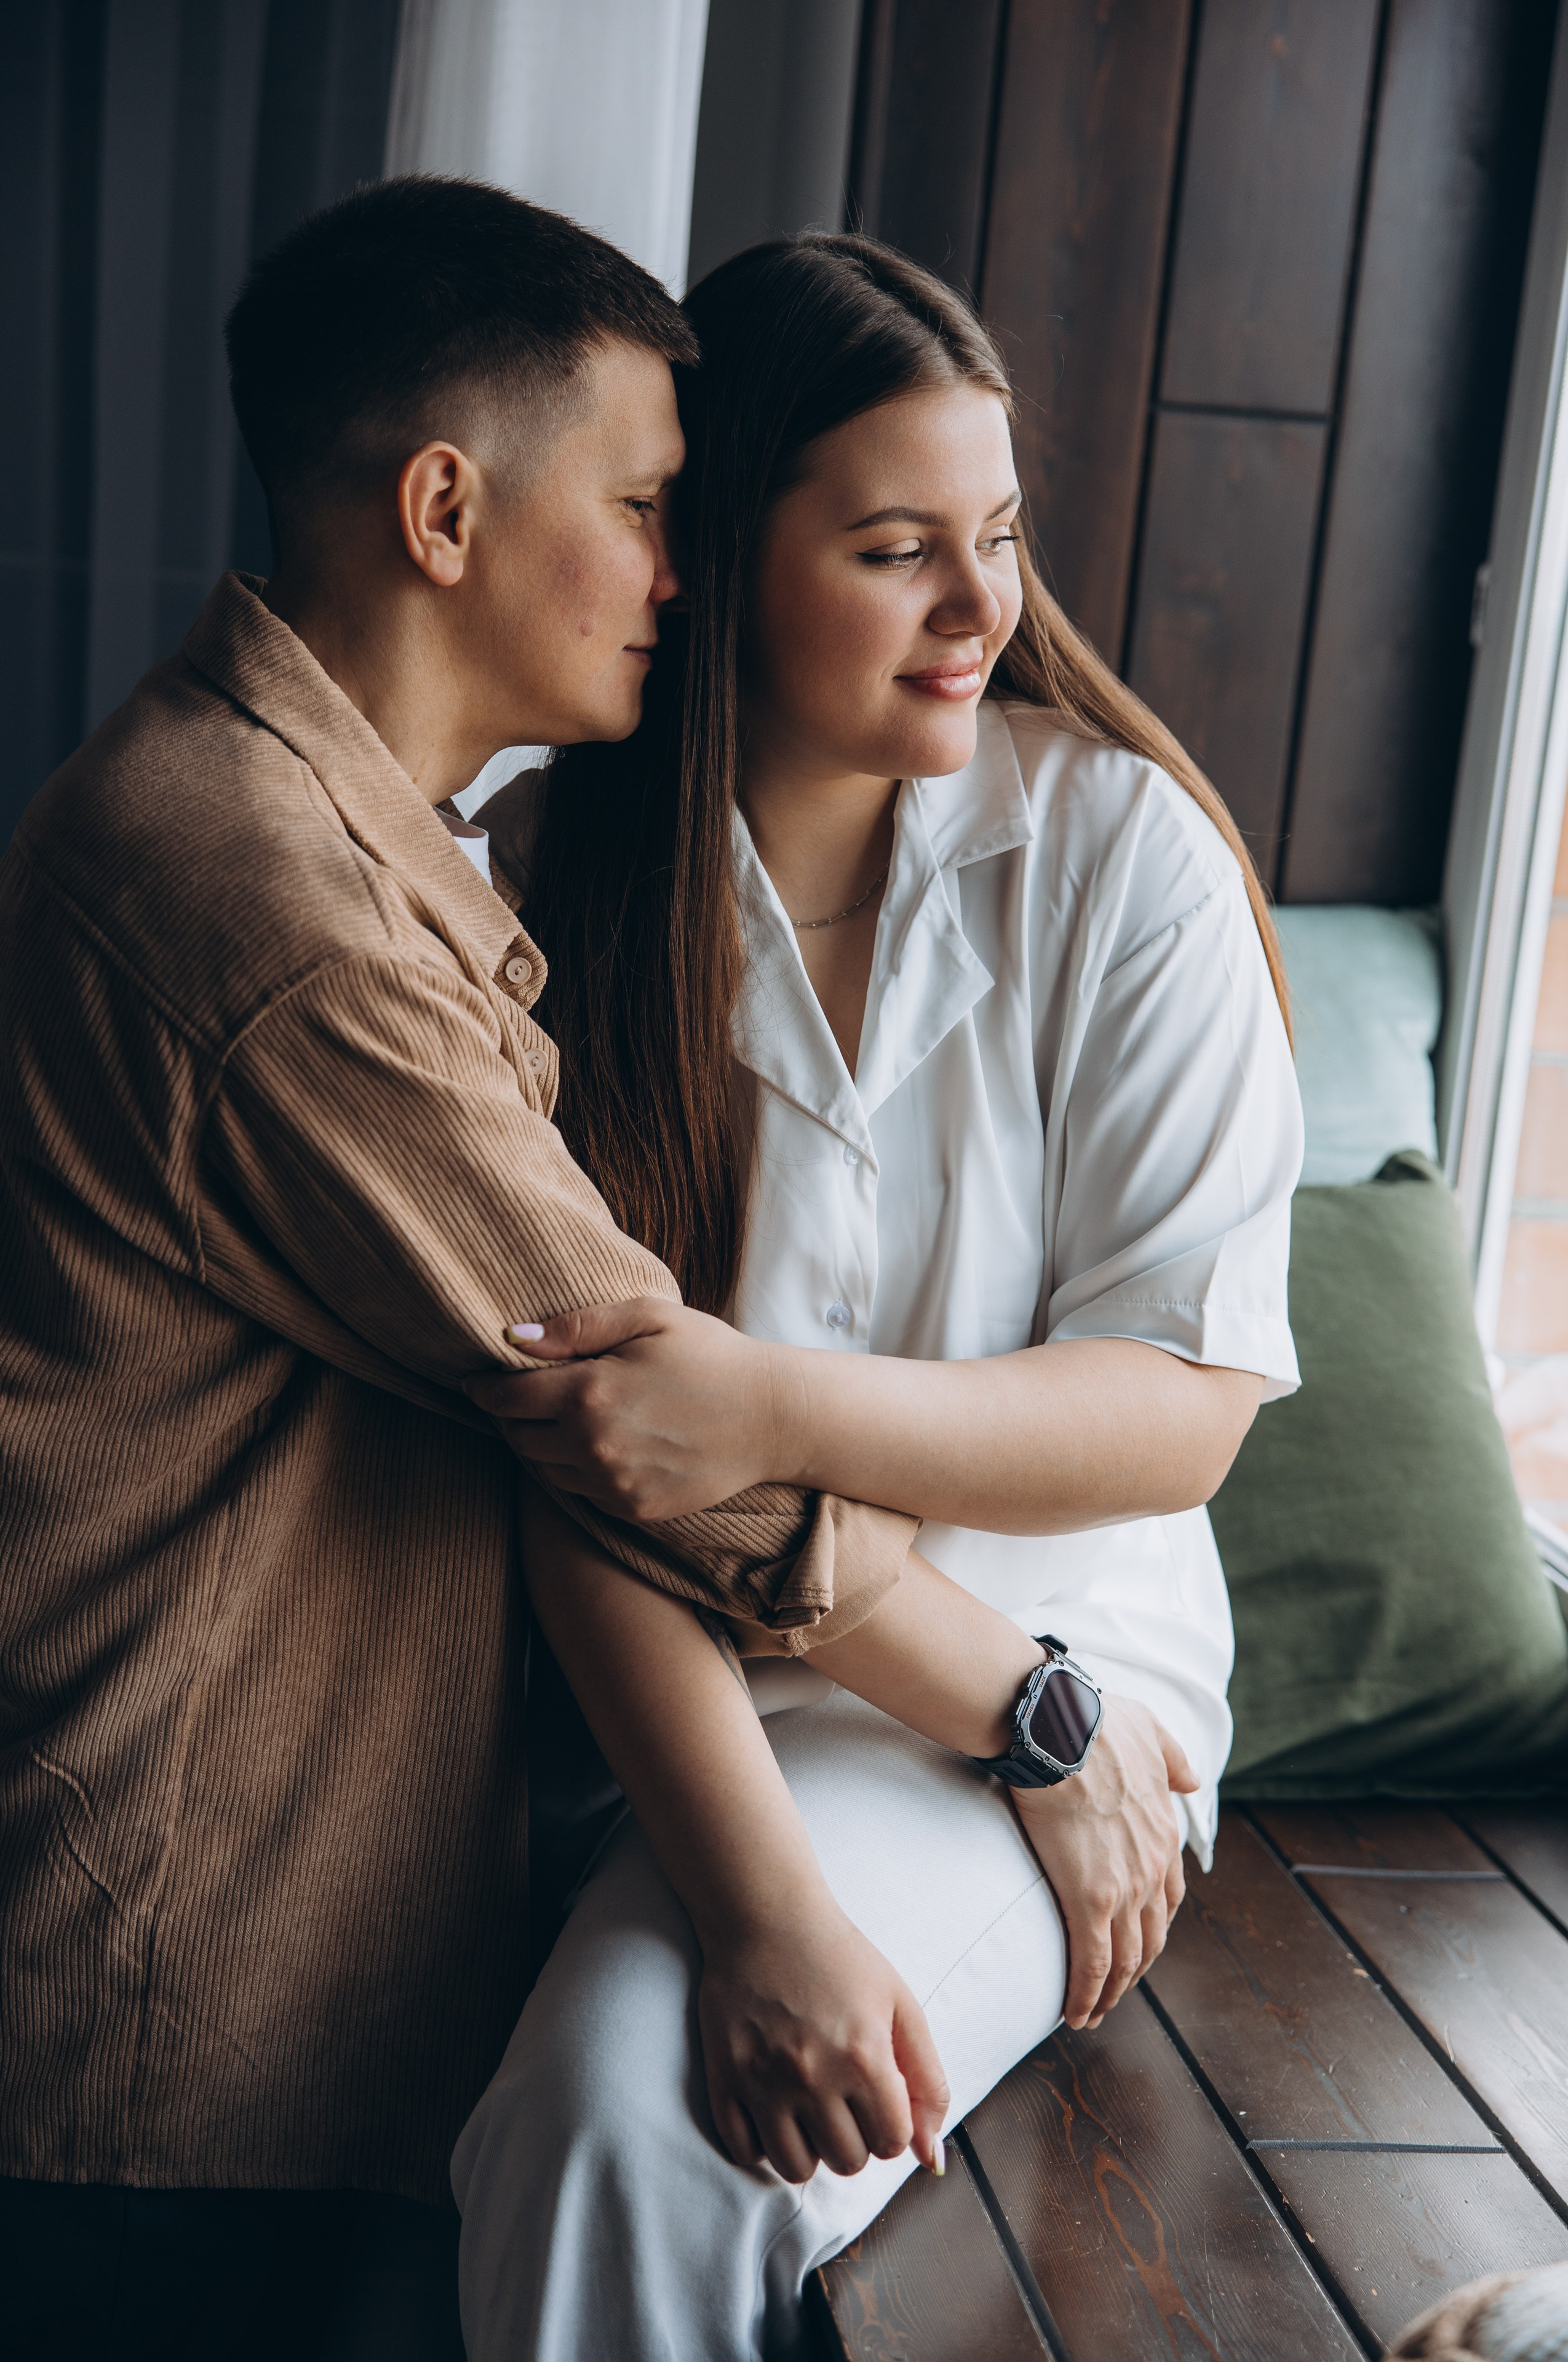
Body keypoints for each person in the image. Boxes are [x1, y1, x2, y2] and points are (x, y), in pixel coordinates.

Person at [0, 182, 925, 2361]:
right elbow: (646, 1427)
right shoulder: (274, 905)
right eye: (643, 507)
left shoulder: (298, 830)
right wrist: (1051, 1725)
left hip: (233, 2022)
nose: (680, 576)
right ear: (442, 511)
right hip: (172, 2055)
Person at [451, 234, 1304, 2361]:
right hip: (668, 1689)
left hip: (1066, 1673)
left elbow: (1177, 1406)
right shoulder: (527, 888)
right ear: (716, 562)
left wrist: (763, 1411)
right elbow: (578, 1468)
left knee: (626, 2135)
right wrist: (758, 1908)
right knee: (591, 2119)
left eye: (997, 536)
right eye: (898, 549)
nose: (979, 606)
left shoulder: (1124, 859)